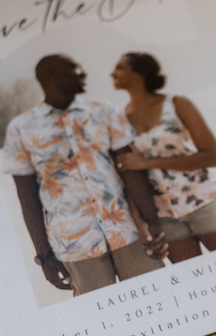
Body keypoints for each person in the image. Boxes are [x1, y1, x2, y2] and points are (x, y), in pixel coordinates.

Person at [3, 54, 167, 295]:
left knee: (156, 299)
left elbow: (131, 170)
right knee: (102, 318)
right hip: (74, 245)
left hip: (128, 232)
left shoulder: (104, 110)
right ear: (51, 76)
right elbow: (27, 198)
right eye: (74, 68)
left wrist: (152, 222)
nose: (83, 73)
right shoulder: (21, 128)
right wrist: (45, 257)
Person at [111, 52, 216, 263]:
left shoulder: (178, 104)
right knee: (195, 283)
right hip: (164, 219)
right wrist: (141, 222)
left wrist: (148, 162)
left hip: (203, 203)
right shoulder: (119, 121)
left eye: (120, 67)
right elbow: (127, 178)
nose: (112, 73)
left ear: (139, 73)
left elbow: (212, 156)